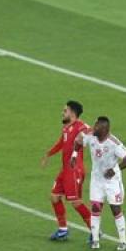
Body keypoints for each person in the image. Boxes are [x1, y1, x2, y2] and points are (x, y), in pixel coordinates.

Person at [72, 116, 126, 251]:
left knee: (115, 209)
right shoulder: (91, 136)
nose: (93, 128)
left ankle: (123, 241)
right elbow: (78, 140)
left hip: (112, 182)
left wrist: (115, 169)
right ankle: (95, 240)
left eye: (97, 126)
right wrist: (74, 155)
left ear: (104, 129)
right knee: (95, 208)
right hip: (97, 180)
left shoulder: (113, 143)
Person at [41, 101, 92, 241]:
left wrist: (84, 134)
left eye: (65, 111)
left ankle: (95, 231)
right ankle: (63, 230)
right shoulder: (66, 128)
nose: (62, 113)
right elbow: (61, 143)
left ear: (72, 113)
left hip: (74, 170)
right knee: (54, 197)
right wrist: (48, 154)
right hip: (65, 170)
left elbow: (90, 130)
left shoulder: (80, 126)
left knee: (76, 202)